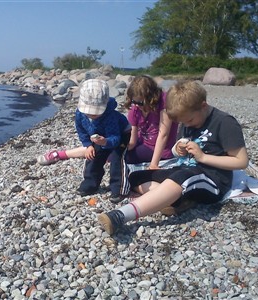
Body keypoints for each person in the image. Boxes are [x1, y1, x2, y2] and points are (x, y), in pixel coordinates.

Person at [98, 80, 249, 235]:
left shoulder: (224, 122)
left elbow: (241, 161)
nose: (187, 125)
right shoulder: (187, 119)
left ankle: (120, 216)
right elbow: (177, 151)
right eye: (183, 122)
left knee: (181, 177)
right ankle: (176, 200)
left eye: (189, 121)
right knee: (135, 177)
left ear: (203, 106)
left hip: (213, 178)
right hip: (186, 169)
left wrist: (203, 157)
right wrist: (178, 149)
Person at [37, 79, 131, 201]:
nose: (91, 115)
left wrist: (106, 142)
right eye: (89, 112)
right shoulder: (80, 113)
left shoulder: (110, 116)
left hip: (120, 134)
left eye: (95, 113)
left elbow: (115, 137)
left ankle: (118, 189)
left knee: (117, 159)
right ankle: (90, 184)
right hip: (98, 136)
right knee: (92, 157)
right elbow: (81, 130)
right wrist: (88, 145)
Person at [124, 75, 178, 169]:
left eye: (141, 103)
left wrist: (154, 164)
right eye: (134, 102)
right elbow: (132, 140)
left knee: (127, 157)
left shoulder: (164, 102)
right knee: (117, 155)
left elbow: (163, 134)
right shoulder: (135, 109)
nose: (137, 105)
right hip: (143, 142)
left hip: (160, 149)